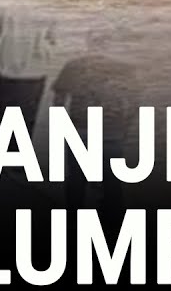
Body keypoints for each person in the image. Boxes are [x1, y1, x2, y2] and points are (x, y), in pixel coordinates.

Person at [50, 54, 138, 225]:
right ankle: (114, 227)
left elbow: (59, 99)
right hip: (111, 131)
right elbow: (135, 103)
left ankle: (72, 224)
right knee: (112, 184)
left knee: (76, 180)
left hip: (81, 128)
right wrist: (124, 129)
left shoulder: (74, 64)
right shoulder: (125, 68)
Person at [0, 0, 56, 134]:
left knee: (5, 121)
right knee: (27, 121)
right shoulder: (49, 10)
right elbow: (53, 39)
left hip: (9, 71)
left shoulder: (4, 7)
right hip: (36, 72)